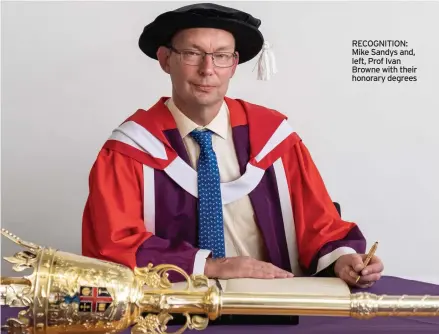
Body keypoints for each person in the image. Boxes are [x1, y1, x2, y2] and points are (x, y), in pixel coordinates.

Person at [82, 3, 384, 288]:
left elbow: (319, 224)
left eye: (222, 56)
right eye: (192, 53)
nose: (207, 69)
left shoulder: (274, 138)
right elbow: (111, 245)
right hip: (170, 310)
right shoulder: (130, 149)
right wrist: (211, 266)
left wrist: (344, 259)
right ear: (165, 60)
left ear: (234, 64)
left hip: (273, 303)